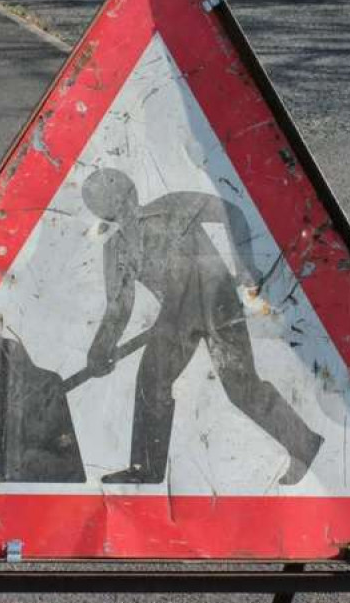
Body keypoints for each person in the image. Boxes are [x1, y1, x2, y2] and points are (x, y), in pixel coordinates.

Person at [81, 168, 323, 485]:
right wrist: (101, 347)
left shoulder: (174, 205)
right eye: (108, 200)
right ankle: (145, 469)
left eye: (121, 194)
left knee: (241, 388)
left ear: (132, 192)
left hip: (217, 299)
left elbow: (231, 212)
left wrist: (244, 265)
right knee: (151, 383)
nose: (121, 203)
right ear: (101, 209)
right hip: (176, 313)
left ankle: (302, 442)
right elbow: (119, 305)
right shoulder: (115, 249)